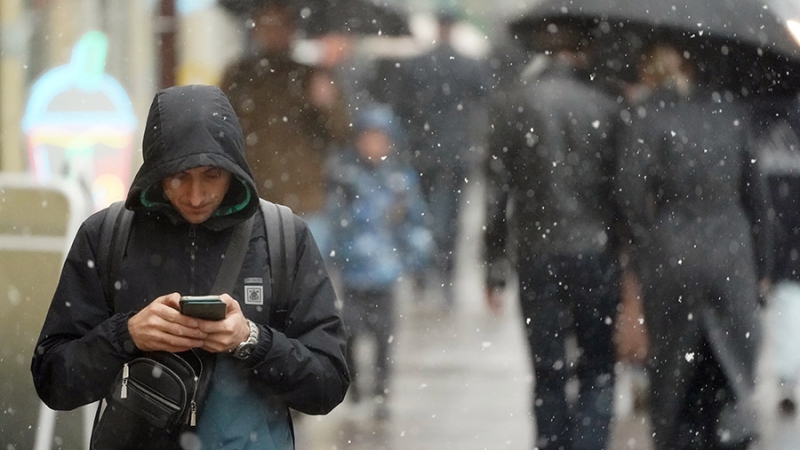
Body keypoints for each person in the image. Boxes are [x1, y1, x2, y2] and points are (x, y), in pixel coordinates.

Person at [30, 84, 349, 449]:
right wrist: (126, 335)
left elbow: (328, 384)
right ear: (156, 171)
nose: (196, 196)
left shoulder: (283, 236)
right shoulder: (106, 236)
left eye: (212, 174)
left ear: (234, 169)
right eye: (179, 176)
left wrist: (251, 340)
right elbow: (53, 382)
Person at [616, 42, 771, 450]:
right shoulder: (731, 112)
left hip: (671, 257)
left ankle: (678, 437)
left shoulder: (647, 113)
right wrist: (763, 267)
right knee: (730, 370)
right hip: (730, 255)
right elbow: (757, 200)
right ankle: (728, 430)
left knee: (672, 377)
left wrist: (642, 255)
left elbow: (630, 198)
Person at [483, 24, 624, 450]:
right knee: (598, 366)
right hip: (596, 252)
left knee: (548, 371)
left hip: (536, 251)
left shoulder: (512, 103)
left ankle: (551, 442)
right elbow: (624, 193)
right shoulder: (607, 104)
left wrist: (493, 265)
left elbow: (496, 191)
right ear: (586, 49)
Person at [325, 104, 433, 419]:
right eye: (367, 138)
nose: (373, 146)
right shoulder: (346, 178)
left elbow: (416, 221)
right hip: (353, 271)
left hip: (386, 272)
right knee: (351, 333)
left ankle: (383, 391)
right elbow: (333, 220)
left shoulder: (401, 180)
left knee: (385, 335)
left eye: (380, 139)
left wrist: (417, 255)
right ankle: (356, 390)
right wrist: (334, 252)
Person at [219, 0, 351, 255]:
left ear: (292, 29)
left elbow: (341, 134)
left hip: (304, 200)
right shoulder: (238, 75)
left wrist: (326, 104)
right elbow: (220, 129)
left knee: (304, 285)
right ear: (256, 28)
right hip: (252, 197)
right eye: (267, 24)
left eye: (281, 24)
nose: (274, 31)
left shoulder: (311, 76)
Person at [383, 9, 492, 308]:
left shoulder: (415, 65)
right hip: (455, 153)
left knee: (422, 215)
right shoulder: (469, 65)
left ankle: (423, 274)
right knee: (452, 219)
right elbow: (485, 101)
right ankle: (445, 276)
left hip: (423, 153)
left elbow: (400, 108)